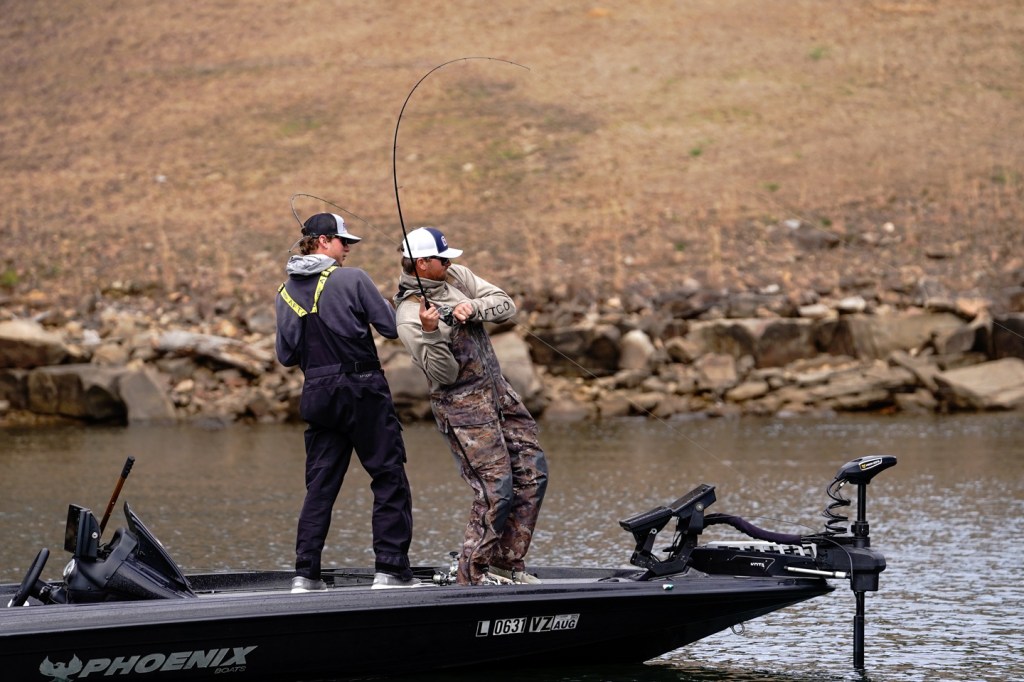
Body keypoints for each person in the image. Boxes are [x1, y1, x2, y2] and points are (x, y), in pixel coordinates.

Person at [393, 226, 548, 586]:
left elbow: (505, 304)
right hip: (463, 411)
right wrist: (432, 332)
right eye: (442, 259)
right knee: (496, 489)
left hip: (499, 396)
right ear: (422, 263)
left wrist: (473, 306)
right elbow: (444, 374)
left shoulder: (457, 277)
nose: (449, 264)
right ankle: (471, 575)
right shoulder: (408, 315)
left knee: (533, 472)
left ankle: (506, 563)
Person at [276, 212, 419, 591]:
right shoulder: (353, 279)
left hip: (317, 395)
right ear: (323, 241)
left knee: (320, 486)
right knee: (388, 476)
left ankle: (305, 575)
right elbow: (390, 328)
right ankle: (391, 571)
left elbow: (286, 357)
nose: (348, 250)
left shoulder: (284, 293)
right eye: (343, 242)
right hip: (362, 390)